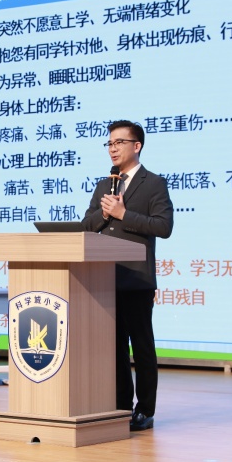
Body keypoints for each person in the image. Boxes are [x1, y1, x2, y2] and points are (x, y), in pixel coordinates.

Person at [81, 120, 173, 432]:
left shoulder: (154, 183)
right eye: (109, 143)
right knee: (114, 347)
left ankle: (145, 410)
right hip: (104, 277)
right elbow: (86, 225)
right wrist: (105, 214)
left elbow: (163, 227)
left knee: (141, 345)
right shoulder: (104, 185)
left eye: (119, 142)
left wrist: (123, 215)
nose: (113, 148)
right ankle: (120, 406)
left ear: (137, 145)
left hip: (136, 279)